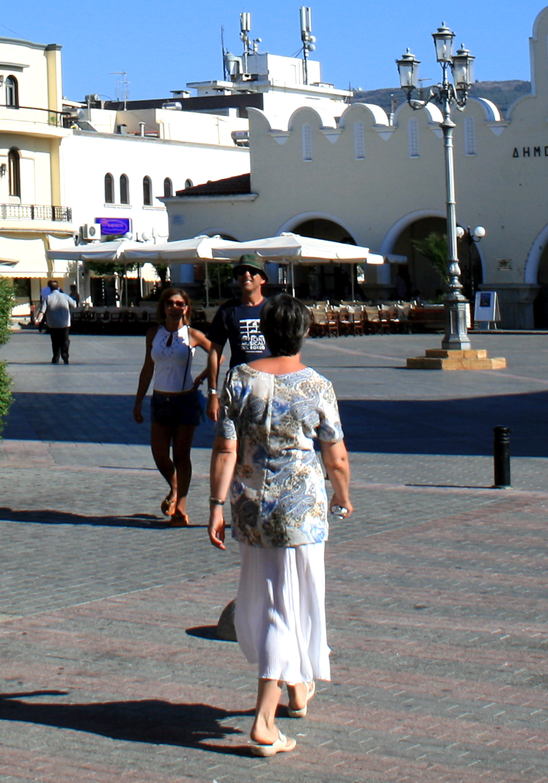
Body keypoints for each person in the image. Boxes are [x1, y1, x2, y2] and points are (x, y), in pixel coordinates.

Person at [206, 295, 350, 759]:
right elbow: (336, 455)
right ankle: (264, 722)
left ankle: (297, 689)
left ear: (263, 331)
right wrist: (342, 495)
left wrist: (215, 506)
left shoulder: (240, 379)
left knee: (274, 598)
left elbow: (226, 450)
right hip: (301, 513)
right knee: (287, 608)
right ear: (304, 332)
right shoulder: (316, 386)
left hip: (252, 509)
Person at [132, 284, 217, 524]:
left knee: (181, 454)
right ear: (164, 307)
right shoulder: (153, 334)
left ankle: (180, 507)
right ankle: (175, 485)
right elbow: (148, 368)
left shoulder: (192, 335)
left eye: (179, 304)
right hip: (160, 398)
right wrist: (138, 400)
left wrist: (203, 378)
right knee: (159, 454)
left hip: (185, 399)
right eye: (170, 303)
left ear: (186, 308)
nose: (174, 307)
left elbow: (216, 355)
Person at [207, 263, 271, 413]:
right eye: (241, 272)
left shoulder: (274, 309)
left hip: (269, 386)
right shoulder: (228, 310)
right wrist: (212, 394)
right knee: (232, 434)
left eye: (253, 271)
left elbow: (286, 351)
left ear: (262, 279)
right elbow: (214, 352)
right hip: (238, 387)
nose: (246, 275)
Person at [35, 279, 78, 364]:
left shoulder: (48, 298)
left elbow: (42, 311)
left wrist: (37, 320)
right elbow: (74, 305)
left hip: (53, 323)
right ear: (58, 287)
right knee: (65, 339)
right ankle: (65, 354)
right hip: (65, 323)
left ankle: (56, 357)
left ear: (50, 288)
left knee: (55, 341)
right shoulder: (65, 296)